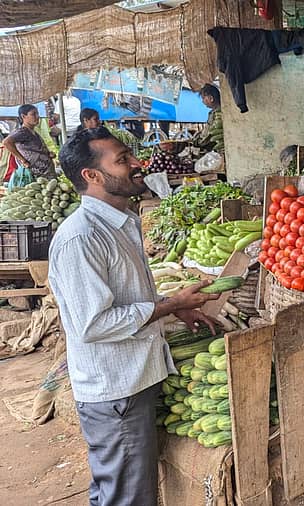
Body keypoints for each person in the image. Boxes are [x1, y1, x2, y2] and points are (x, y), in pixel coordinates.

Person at [49, 127, 221, 506]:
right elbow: (94, 324)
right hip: (116, 389)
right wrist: (169, 306)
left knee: (120, 490)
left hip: (132, 380)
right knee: (128, 497)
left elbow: (127, 297)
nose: (137, 163)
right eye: (122, 160)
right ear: (92, 175)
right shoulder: (82, 238)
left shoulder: (120, 222)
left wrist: (173, 308)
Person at [2, 104, 56, 179]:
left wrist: (49, 154)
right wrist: (23, 160)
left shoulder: (34, 132)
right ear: (23, 116)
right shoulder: (22, 132)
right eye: (33, 114)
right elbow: (6, 142)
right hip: (36, 176)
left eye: (37, 114)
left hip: (46, 174)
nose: (37, 117)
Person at [195, 84, 224, 153]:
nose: (203, 101)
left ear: (211, 98)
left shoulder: (219, 113)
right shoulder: (212, 113)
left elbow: (208, 134)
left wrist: (197, 142)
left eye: (203, 98)